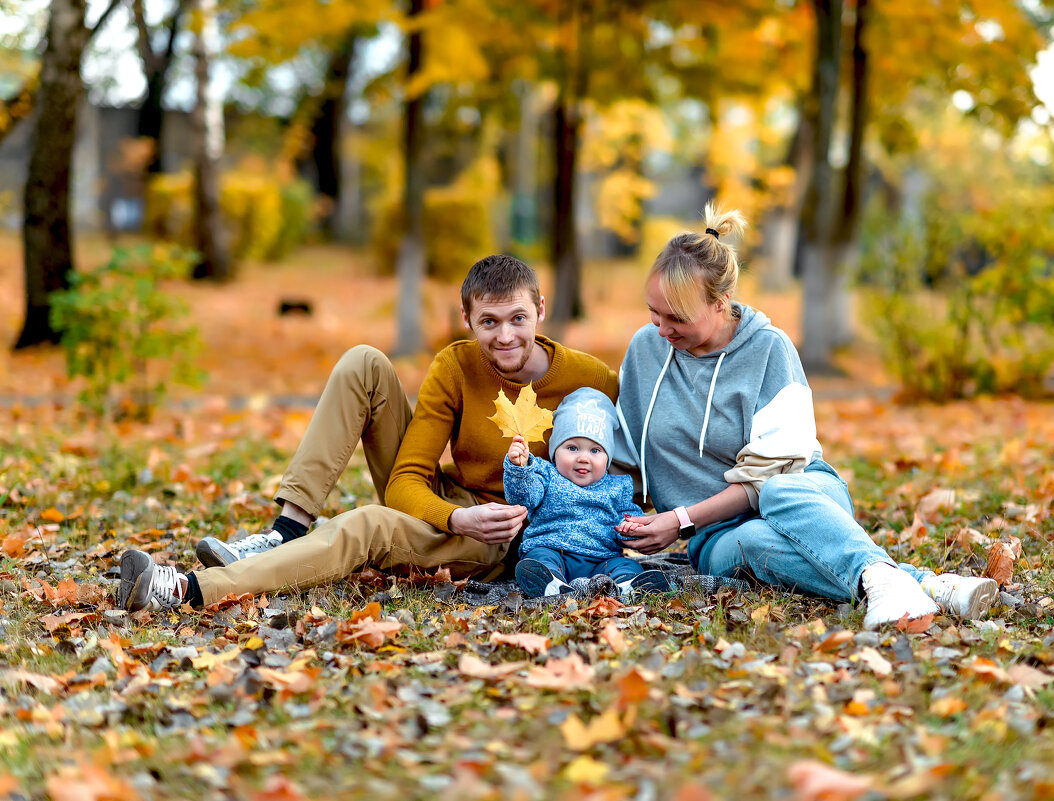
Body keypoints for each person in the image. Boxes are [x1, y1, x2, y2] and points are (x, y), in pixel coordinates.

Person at [118, 255, 619, 613]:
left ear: (541, 310)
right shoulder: (457, 364)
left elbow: (633, 463)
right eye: (488, 321)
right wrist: (456, 515)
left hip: (508, 540)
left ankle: (186, 589)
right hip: (454, 508)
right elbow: (404, 482)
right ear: (465, 318)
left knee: (364, 526)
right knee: (364, 362)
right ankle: (285, 531)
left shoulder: (590, 378)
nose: (504, 336)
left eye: (518, 319)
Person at [612, 204, 998, 631]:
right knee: (756, 541)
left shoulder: (770, 351)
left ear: (721, 303)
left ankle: (893, 584)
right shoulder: (646, 350)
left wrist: (680, 518)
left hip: (805, 495)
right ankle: (924, 585)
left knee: (778, 490)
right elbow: (626, 452)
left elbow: (769, 477)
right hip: (718, 535)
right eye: (654, 312)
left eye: (677, 318)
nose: (661, 329)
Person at [503, 388, 671, 598]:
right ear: (555, 451)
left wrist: (631, 527)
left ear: (607, 458)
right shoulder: (545, 474)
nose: (583, 458)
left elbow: (628, 516)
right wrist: (519, 469)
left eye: (595, 450)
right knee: (538, 558)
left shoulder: (617, 487)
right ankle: (550, 583)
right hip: (554, 551)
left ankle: (627, 586)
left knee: (626, 565)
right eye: (572, 448)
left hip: (601, 560)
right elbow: (523, 497)